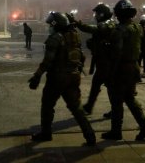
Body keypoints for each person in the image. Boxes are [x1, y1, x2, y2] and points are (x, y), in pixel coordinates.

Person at [28, 12, 96, 146]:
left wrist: (37, 76)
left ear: (56, 25)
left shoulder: (55, 38)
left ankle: (46, 133)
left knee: (47, 105)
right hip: (73, 76)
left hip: (57, 77)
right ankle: (90, 135)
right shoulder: (74, 35)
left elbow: (47, 61)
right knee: (76, 108)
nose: (49, 27)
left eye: (50, 25)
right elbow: (81, 56)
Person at [102, 0, 145, 141]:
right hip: (133, 67)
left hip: (121, 69)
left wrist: (110, 73)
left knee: (116, 101)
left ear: (119, 14)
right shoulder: (137, 28)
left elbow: (116, 53)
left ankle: (116, 131)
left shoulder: (119, 30)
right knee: (130, 98)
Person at [68, 3, 115, 116]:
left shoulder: (106, 24)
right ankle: (113, 109)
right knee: (109, 86)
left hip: (106, 61)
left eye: (97, 14)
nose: (95, 16)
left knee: (98, 84)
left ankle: (90, 107)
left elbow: (91, 29)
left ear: (102, 14)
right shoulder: (108, 23)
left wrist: (77, 23)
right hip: (104, 60)